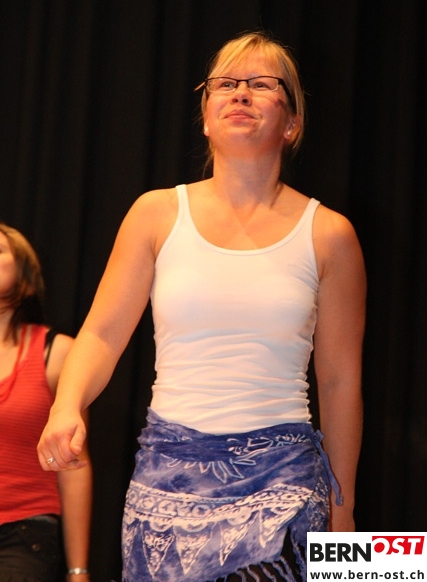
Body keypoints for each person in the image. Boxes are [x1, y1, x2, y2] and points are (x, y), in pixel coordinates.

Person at [37, 31, 366, 582]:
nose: (241, 93)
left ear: (292, 123)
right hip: (167, 472)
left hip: (282, 476)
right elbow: (100, 335)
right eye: (225, 83)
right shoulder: (155, 214)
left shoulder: (330, 234)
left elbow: (339, 381)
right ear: (207, 118)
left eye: (262, 84)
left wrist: (344, 507)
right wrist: (66, 405)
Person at [0, 223, 92, 581]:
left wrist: (78, 570)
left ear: (24, 272)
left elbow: (74, 463)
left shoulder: (57, 352)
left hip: (23, 535)